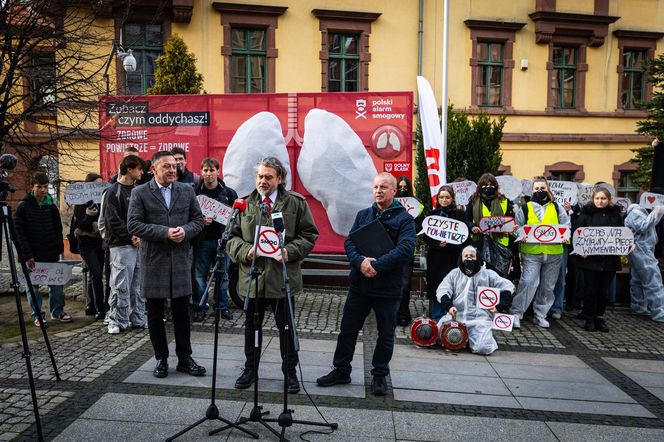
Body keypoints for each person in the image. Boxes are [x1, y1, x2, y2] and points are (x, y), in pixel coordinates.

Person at [316, 173, 416, 396]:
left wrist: (377, 265)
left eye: (384, 187)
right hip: (360, 285)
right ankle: (341, 369)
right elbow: (350, 242)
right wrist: (360, 262)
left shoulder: (405, 220)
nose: (379, 191)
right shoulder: (364, 215)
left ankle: (379, 375)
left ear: (393, 191)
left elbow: (406, 250)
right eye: (375, 187)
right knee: (348, 330)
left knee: (385, 333)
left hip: (388, 288)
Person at [227, 156, 318, 394]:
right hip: (253, 278)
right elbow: (230, 238)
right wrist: (247, 251)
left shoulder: (295, 203)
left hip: (282, 277)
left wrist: (289, 251)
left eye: (268, 177)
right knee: (251, 328)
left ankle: (289, 373)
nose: (263, 181)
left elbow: (309, 235)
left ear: (280, 178)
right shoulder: (244, 204)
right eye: (259, 176)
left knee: (286, 328)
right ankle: (250, 369)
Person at [127, 151, 206, 378]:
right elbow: (133, 224)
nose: (172, 170)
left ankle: (185, 358)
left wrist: (185, 231)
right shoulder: (140, 193)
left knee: (182, 312)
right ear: (153, 169)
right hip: (154, 261)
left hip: (180, 261)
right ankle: (161, 358)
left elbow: (198, 220)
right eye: (166, 167)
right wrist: (165, 232)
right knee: (155, 314)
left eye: (174, 166)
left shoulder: (187, 190)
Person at [510, 177, 569, 329]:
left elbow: (566, 225)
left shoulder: (557, 207)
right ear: (531, 191)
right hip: (532, 253)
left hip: (554, 253)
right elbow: (517, 228)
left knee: (548, 286)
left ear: (548, 190)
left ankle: (540, 315)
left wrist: (564, 236)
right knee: (528, 282)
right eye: (536, 189)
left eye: (543, 188)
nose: (540, 191)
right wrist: (520, 235)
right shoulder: (525, 208)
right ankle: (517, 313)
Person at [14, 172, 70, 327]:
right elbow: (18, 234)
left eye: (45, 187)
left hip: (50, 253)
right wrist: (27, 255)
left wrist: (58, 247)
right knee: (33, 287)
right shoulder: (23, 207)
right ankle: (38, 314)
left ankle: (57, 311)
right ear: (33, 187)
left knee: (56, 285)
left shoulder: (51, 206)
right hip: (31, 255)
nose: (43, 190)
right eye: (40, 187)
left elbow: (58, 229)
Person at [436, 245, 514, 355]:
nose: (469, 258)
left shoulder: (488, 274)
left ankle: (471, 339)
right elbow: (443, 290)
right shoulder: (455, 273)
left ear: (477, 257)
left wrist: (500, 306)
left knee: (483, 348)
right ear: (461, 258)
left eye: (472, 256)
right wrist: (449, 306)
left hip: (479, 320)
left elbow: (507, 287)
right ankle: (465, 339)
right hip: (456, 317)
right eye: (466, 255)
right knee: (435, 337)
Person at [103, 155, 147, 334]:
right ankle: (116, 320)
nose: (142, 172)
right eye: (139, 168)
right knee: (120, 284)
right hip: (121, 245)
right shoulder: (113, 191)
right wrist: (131, 236)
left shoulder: (140, 191)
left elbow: (146, 216)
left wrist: (141, 235)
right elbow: (111, 220)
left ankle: (137, 318)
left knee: (139, 284)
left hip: (139, 244)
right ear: (129, 169)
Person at [192, 157, 238, 322]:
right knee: (199, 276)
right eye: (205, 170)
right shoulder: (195, 192)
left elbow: (236, 218)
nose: (209, 173)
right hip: (202, 241)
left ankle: (221, 307)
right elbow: (189, 216)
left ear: (218, 172)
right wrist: (201, 221)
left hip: (222, 241)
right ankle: (200, 307)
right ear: (201, 172)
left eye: (212, 170)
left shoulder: (229, 193)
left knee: (223, 276)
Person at [574, 188, 626, 332]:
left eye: (603, 198)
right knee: (591, 290)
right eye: (597, 198)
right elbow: (578, 233)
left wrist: (627, 245)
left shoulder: (615, 214)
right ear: (593, 199)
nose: (600, 201)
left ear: (609, 200)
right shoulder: (586, 213)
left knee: (604, 291)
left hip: (609, 259)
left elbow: (622, 233)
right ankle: (589, 318)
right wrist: (581, 249)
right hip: (590, 259)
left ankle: (599, 317)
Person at [424, 185, 467, 321]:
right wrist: (437, 243)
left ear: (452, 198)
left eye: (447, 197)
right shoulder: (432, 214)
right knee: (437, 286)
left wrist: (451, 243)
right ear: (437, 199)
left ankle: (451, 316)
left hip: (453, 257)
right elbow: (426, 236)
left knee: (452, 285)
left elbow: (464, 236)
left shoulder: (459, 214)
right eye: (441, 197)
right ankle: (437, 317)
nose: (444, 200)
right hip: (436, 258)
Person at [466, 173, 515, 277]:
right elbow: (467, 220)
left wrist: (512, 227)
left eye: (491, 185)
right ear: (479, 186)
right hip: (479, 242)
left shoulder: (504, 201)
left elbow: (511, 220)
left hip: (500, 244)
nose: (488, 187)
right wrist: (472, 227)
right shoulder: (473, 201)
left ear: (495, 186)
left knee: (498, 276)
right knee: (481, 275)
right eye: (485, 185)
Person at [624, 204, 664, 322]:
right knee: (653, 280)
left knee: (638, 279)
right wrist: (656, 212)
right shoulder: (636, 212)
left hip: (640, 248)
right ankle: (659, 311)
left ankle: (638, 306)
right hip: (641, 249)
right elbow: (643, 227)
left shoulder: (637, 212)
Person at [74, 173, 105, 319]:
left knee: (96, 274)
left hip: (100, 240)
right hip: (86, 241)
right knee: (97, 274)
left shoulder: (103, 198)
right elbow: (81, 223)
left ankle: (91, 305)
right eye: (96, 184)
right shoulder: (82, 200)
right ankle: (100, 308)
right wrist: (89, 215)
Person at [395, 175, 417, 326]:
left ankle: (403, 314)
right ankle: (392, 313)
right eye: (400, 187)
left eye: (405, 188)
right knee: (392, 284)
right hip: (390, 249)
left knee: (404, 285)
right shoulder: (390, 203)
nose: (403, 190)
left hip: (408, 252)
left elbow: (423, 226)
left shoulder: (417, 206)